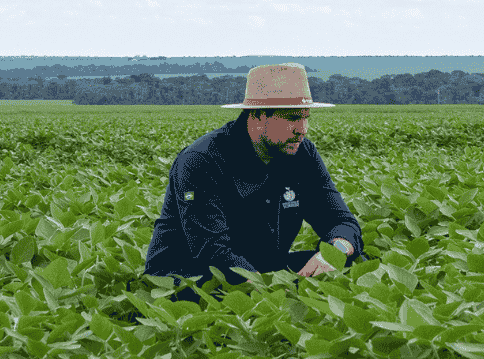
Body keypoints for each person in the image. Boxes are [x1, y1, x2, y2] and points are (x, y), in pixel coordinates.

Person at [143, 62, 367, 305]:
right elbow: (211, 249)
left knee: (353, 260)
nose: (302, 130)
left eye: (305, 118)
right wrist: (271, 292)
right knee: (218, 284)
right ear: (258, 115)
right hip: (191, 274)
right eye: (292, 118)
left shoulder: (302, 154)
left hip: (264, 268)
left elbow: (341, 221)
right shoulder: (202, 159)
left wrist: (335, 252)